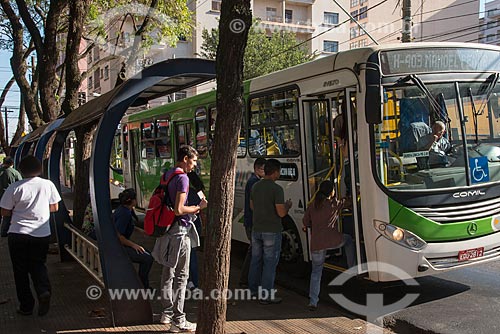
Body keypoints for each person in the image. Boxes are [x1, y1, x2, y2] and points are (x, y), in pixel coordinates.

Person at [0, 155, 61, 316]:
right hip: (41, 234)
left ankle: (26, 306)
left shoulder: (15, 187)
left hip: (18, 233)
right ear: (39, 169)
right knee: (38, 265)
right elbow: (54, 207)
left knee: (20, 270)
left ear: (21, 170)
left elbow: (4, 211)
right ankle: (43, 291)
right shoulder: (48, 185)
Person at [157, 145, 207, 332]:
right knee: (181, 276)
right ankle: (179, 319)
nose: (194, 166)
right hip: (180, 231)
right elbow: (179, 209)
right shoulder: (183, 179)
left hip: (167, 230)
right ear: (185, 159)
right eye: (193, 161)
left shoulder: (168, 174)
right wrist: (198, 207)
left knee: (167, 274)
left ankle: (166, 313)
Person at [302, 180, 355, 311]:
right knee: (348, 240)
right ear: (332, 192)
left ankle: (313, 301)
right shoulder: (334, 204)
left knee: (316, 272)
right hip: (333, 241)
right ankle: (352, 267)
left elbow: (306, 222)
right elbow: (349, 202)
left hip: (317, 244)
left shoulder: (312, 205)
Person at [248, 158, 292, 305]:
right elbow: (281, 213)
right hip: (271, 231)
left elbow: (252, 206)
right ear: (275, 172)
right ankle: (266, 296)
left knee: (256, 261)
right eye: (279, 171)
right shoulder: (277, 189)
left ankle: (253, 291)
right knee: (269, 264)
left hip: (257, 229)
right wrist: (287, 206)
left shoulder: (255, 186)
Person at [113, 188, 153, 289]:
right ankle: (143, 286)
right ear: (132, 201)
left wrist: (139, 231)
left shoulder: (124, 210)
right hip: (118, 247)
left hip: (119, 244)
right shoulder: (125, 214)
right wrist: (134, 245)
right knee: (147, 258)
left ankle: (142, 284)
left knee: (147, 256)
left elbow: (127, 225)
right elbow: (119, 235)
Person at [239, 158, 266, 288]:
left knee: (253, 252)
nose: (264, 172)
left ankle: (247, 280)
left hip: (250, 222)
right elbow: (253, 205)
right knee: (254, 253)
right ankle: (248, 281)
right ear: (256, 169)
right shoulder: (254, 182)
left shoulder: (253, 180)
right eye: (263, 170)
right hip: (252, 222)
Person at [186, 171, 205, 290]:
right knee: (193, 254)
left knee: (188, 256)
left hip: (186, 224)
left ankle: (189, 281)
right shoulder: (198, 192)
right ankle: (195, 282)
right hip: (196, 224)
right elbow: (204, 205)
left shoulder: (185, 192)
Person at [0, 157, 22, 236]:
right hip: (9, 197)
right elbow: (20, 184)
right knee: (7, 215)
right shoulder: (15, 172)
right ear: (12, 164)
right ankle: (4, 232)